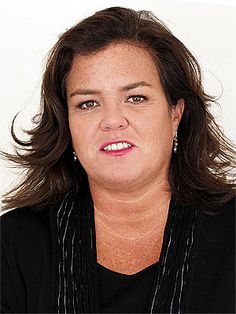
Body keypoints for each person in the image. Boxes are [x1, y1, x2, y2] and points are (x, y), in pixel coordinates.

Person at [1, 6, 235, 314]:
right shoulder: (14, 245)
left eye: (136, 98)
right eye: (88, 103)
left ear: (175, 113)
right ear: (66, 124)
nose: (112, 120)